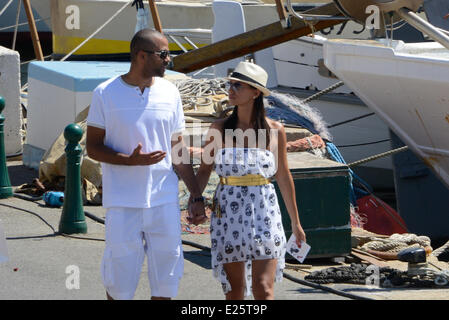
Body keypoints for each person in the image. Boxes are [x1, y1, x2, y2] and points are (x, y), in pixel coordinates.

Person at [86, 28, 206, 300]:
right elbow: (92, 146)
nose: (168, 60)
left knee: (167, 279)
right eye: (163, 54)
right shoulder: (105, 93)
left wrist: (196, 195)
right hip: (122, 203)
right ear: (141, 55)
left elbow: (178, 149)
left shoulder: (171, 93)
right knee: (119, 283)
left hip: (164, 201)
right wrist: (128, 161)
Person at [192, 61, 307, 300]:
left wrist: (296, 223)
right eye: (230, 84)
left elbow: (283, 176)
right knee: (235, 292)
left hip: (265, 212)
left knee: (263, 289)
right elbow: (204, 171)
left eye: (238, 85)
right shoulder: (219, 128)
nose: (230, 90)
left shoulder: (276, 130)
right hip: (228, 213)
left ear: (256, 93)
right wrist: (195, 201)